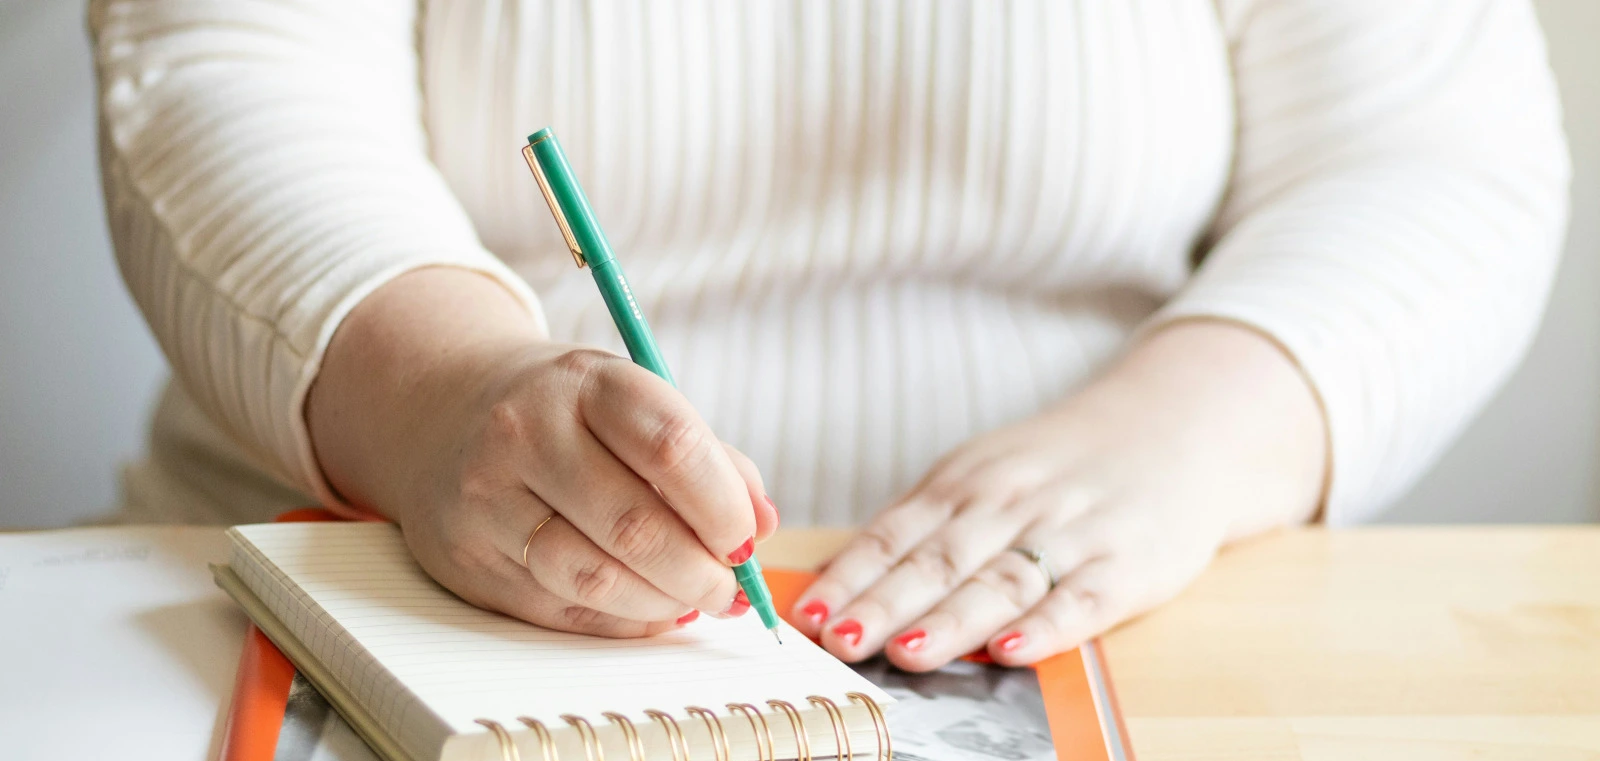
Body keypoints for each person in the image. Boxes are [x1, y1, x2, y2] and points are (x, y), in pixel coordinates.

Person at [90, 1, 1569, 672]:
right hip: (383, 604)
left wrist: (1184, 437)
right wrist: (441, 396)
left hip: (1137, 620)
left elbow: (1434, 152)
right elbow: (217, 66)